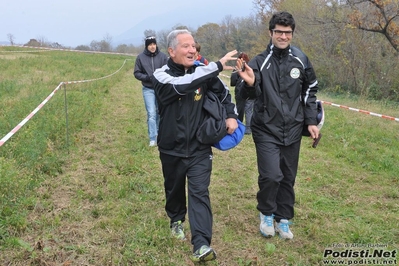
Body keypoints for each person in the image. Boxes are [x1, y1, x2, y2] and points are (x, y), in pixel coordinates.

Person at [151, 29, 238, 262]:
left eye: (193, 46)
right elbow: (184, 85)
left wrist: (231, 115)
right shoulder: (161, 75)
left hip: (200, 147)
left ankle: (201, 243)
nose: (192, 50)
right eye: (186, 46)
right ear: (171, 51)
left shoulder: (203, 71)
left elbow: (224, 95)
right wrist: (216, 66)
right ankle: (176, 219)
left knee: (199, 193)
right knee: (174, 189)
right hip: (171, 148)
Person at [236, 11, 320, 240]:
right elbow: (243, 92)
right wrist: (251, 84)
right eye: (279, 32)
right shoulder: (259, 62)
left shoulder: (301, 60)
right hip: (266, 129)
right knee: (271, 175)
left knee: (287, 177)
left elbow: (311, 89)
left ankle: (284, 220)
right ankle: (266, 214)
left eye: (287, 33)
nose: (283, 36)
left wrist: (311, 121)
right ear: (271, 33)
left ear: (292, 34)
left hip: (293, 129)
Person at [134, 36, 168, 146]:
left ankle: (159, 134)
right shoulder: (140, 58)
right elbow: (137, 73)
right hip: (148, 89)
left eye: (154, 44)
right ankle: (152, 137)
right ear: (146, 46)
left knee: (159, 112)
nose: (152, 46)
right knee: (151, 113)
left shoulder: (163, 57)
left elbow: (168, 70)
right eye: (150, 44)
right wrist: (148, 77)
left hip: (161, 89)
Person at [230, 52, 254, 135]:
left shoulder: (237, 68)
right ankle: (248, 128)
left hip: (240, 91)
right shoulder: (251, 67)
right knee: (249, 110)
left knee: (240, 109)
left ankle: (239, 126)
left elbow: (233, 82)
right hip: (251, 91)